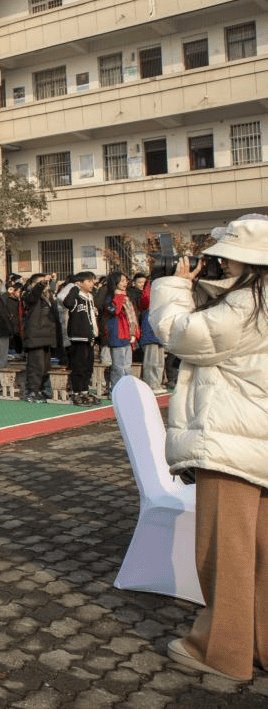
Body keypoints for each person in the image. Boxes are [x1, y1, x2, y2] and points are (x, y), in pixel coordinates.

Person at [151, 214, 268, 683]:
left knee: (226, 552)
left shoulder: (248, 304)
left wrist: (174, 287)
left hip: (232, 440)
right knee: (261, 554)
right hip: (256, 438)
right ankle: (259, 643)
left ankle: (223, 651)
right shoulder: (253, 300)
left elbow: (183, 335)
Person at [63, 271, 99, 406]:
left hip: (90, 337)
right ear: (80, 283)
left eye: (92, 281)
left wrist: (95, 333)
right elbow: (67, 303)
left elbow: (93, 317)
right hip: (78, 337)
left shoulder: (90, 297)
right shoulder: (76, 296)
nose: (92, 284)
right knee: (79, 366)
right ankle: (77, 392)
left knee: (88, 366)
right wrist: (75, 287)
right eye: (89, 281)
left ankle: (85, 390)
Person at [21, 274, 59, 403]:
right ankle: (32, 391)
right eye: (41, 282)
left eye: (45, 282)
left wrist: (52, 282)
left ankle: (42, 389)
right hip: (35, 335)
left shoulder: (48, 295)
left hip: (47, 334)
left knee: (45, 366)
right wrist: (41, 284)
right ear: (33, 283)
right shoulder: (27, 294)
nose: (44, 284)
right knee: (35, 366)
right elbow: (32, 297)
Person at [103, 271, 139, 391]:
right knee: (118, 366)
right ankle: (116, 389)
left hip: (128, 334)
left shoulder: (127, 297)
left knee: (128, 365)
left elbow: (133, 316)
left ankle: (128, 388)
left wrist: (134, 333)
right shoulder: (111, 297)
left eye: (126, 280)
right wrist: (119, 297)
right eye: (122, 280)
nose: (125, 283)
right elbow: (115, 311)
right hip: (117, 334)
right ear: (115, 282)